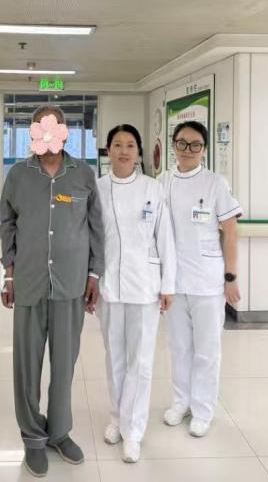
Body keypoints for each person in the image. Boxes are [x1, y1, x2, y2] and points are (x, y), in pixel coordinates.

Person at [0, 105, 104, 478]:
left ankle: (59, 432)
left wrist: (94, 274)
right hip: (29, 282)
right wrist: (8, 276)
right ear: (33, 131)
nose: (48, 131)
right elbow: (7, 225)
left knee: (64, 363)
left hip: (71, 283)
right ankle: (32, 436)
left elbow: (96, 228)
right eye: (41, 125)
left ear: (64, 130)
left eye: (55, 124)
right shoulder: (18, 175)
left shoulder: (83, 174)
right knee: (27, 364)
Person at [96, 124, 176, 463]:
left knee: (140, 361)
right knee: (114, 357)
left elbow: (165, 237)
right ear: (108, 151)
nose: (124, 151)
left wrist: (168, 285)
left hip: (145, 285)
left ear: (139, 152)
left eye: (130, 145)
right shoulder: (97, 187)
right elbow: (90, 238)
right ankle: (117, 418)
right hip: (109, 285)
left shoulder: (152, 188)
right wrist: (90, 281)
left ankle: (134, 431)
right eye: (117, 145)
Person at [160, 120, 242, 437]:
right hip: (174, 281)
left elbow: (231, 233)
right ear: (174, 145)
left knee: (207, 350)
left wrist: (231, 277)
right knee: (179, 346)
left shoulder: (215, 183)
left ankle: (203, 409)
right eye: (182, 143)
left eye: (195, 144)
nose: (188, 149)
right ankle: (181, 402)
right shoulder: (163, 181)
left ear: (204, 149)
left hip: (208, 281)